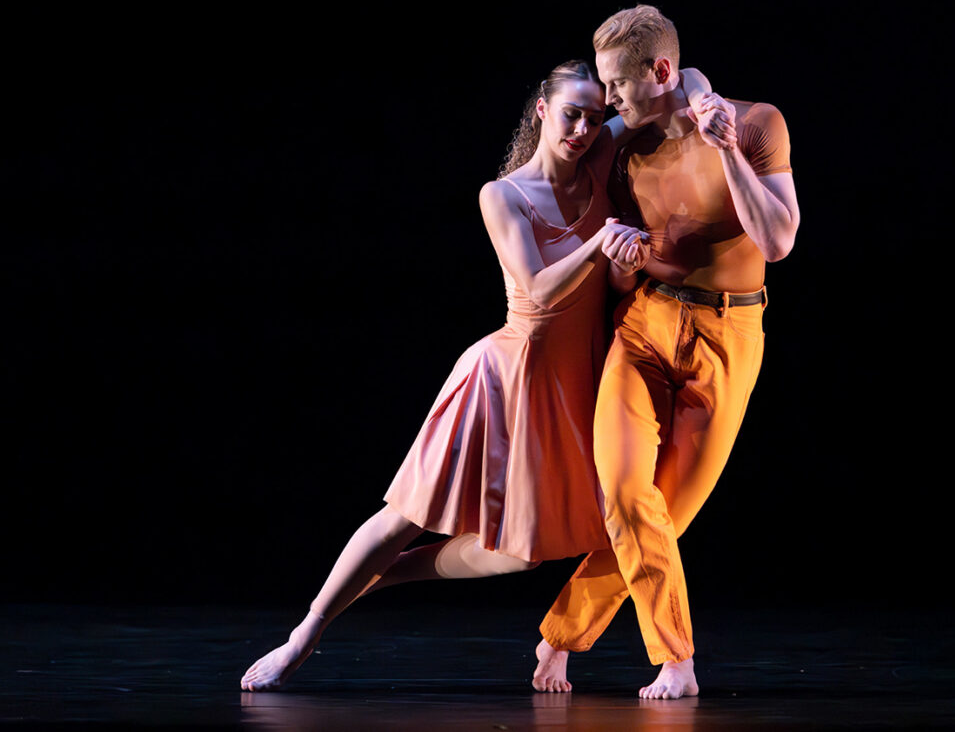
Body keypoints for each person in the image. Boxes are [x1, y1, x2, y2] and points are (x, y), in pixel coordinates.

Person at [239, 60, 653, 692]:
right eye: (572, 113)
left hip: (570, 382)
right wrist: (601, 244)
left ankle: (390, 575)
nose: (584, 129)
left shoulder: (600, 162)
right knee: (406, 515)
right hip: (503, 373)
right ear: (542, 109)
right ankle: (305, 634)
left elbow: (668, 94)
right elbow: (538, 290)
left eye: (596, 118)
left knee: (520, 551)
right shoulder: (503, 195)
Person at [532, 5, 801, 700]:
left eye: (618, 87)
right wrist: (621, 264)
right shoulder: (621, 146)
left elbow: (776, 242)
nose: (608, 103)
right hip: (646, 326)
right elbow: (626, 260)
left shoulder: (757, 124)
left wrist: (726, 150)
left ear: (660, 71)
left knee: (664, 512)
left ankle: (559, 634)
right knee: (623, 489)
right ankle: (675, 661)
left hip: (729, 337)